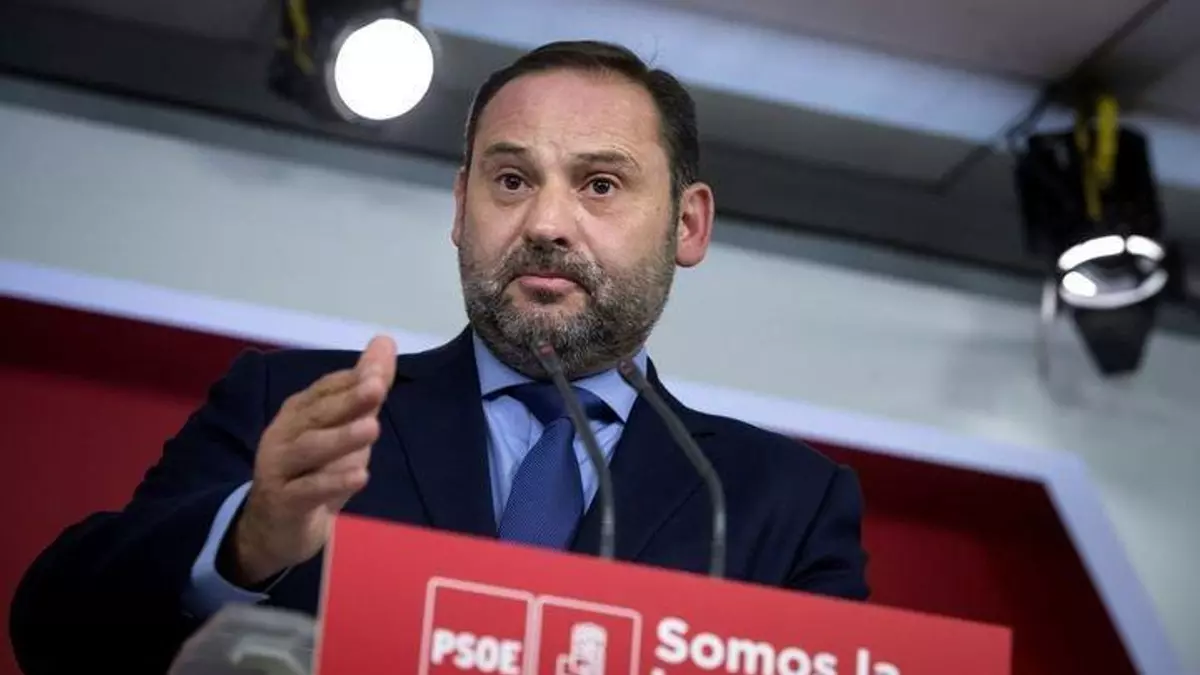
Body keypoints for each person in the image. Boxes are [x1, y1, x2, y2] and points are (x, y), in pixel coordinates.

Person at [8, 40, 869, 675]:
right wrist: (248, 539)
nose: (545, 223)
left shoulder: (781, 503)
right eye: (511, 180)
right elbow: (54, 632)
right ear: (461, 207)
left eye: (600, 184)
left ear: (687, 224)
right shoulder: (299, 412)